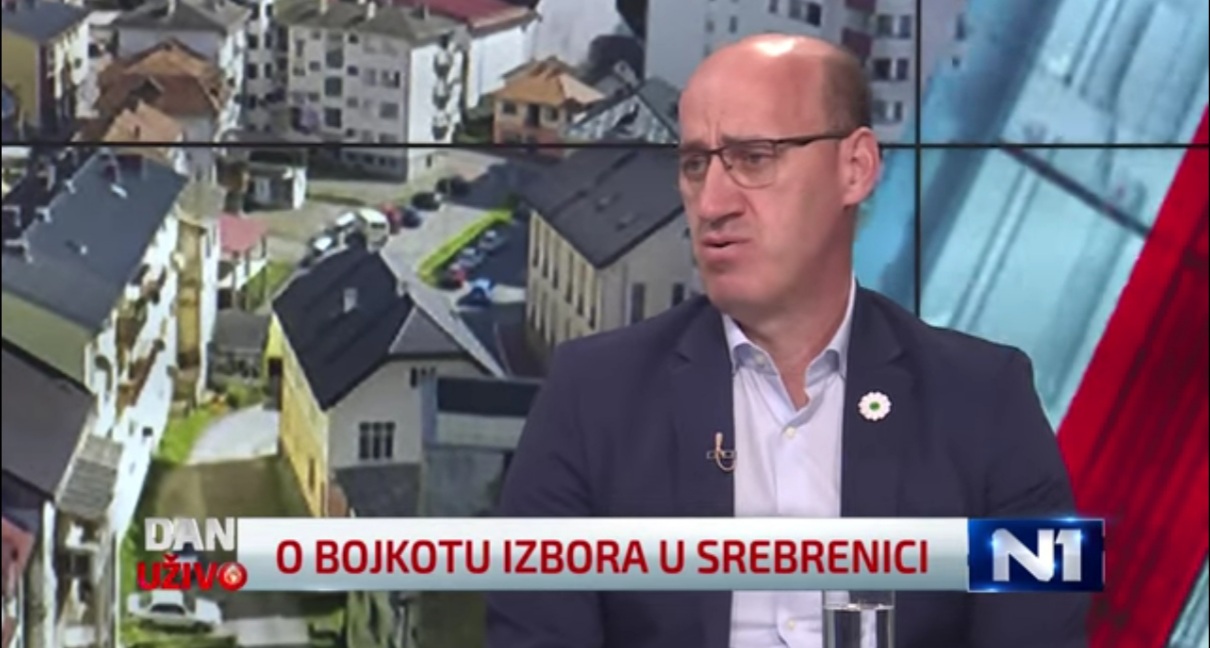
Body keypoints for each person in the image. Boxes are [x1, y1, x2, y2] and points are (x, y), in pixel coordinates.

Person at [486, 34, 1088, 648]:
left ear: (855, 168)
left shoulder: (987, 403)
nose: (712, 203)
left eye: (754, 158)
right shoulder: (590, 399)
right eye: (695, 165)